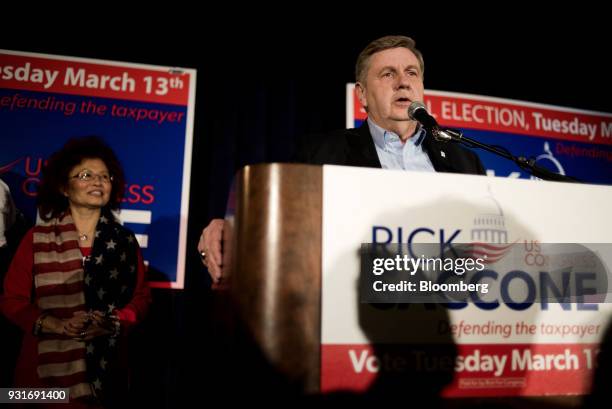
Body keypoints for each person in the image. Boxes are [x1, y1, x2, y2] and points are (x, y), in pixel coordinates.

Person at [198, 35, 485, 283]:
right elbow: (279, 219)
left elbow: (487, 241)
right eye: (388, 74)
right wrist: (229, 227)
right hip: (354, 307)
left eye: (411, 73)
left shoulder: (463, 161)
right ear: (362, 95)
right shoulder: (322, 152)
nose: (402, 83)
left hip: (447, 305)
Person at [1, 137, 151, 407]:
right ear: (63, 187)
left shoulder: (125, 241)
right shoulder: (35, 238)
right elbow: (11, 301)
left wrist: (112, 322)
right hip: (39, 379)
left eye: (105, 176)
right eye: (86, 175)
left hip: (103, 378)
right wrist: (57, 325)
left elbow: (141, 299)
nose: (98, 181)